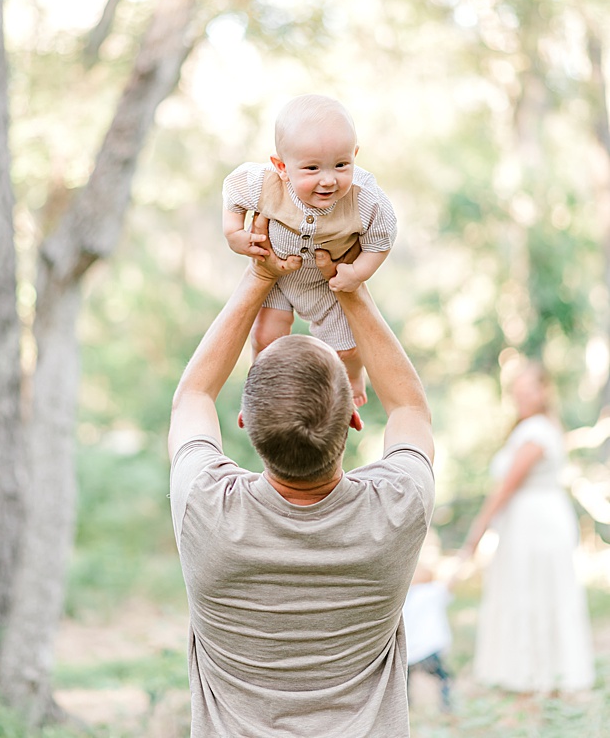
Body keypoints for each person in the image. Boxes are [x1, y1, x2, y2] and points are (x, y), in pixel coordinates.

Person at [169, 217, 434, 736]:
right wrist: (348, 286)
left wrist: (260, 277)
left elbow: (193, 397)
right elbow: (409, 408)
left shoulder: (206, 507)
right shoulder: (397, 508)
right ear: (354, 421)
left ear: (245, 423)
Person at [222, 94, 397, 405]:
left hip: (324, 283)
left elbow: (381, 238)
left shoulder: (365, 198)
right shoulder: (263, 183)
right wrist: (234, 233)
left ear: (355, 156)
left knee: (346, 349)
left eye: (342, 165)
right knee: (266, 339)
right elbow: (232, 191)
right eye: (312, 169)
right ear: (282, 166)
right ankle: (262, 395)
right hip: (275, 277)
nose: (329, 180)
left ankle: (353, 376)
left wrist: (357, 273)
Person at [457, 359, 594, 693]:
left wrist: (476, 533)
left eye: (527, 386)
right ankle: (534, 673)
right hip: (532, 521)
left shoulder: (536, 432)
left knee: (535, 592)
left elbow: (506, 486)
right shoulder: (538, 427)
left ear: (543, 390)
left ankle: (538, 677)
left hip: (536, 525)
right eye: (517, 387)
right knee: (531, 591)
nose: (520, 393)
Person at [402, 552, 455, 713]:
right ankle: (446, 706)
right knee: (443, 678)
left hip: (409, 651)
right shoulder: (434, 591)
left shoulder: (405, 597)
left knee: (405, 682)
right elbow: (451, 582)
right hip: (430, 649)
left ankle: (406, 706)